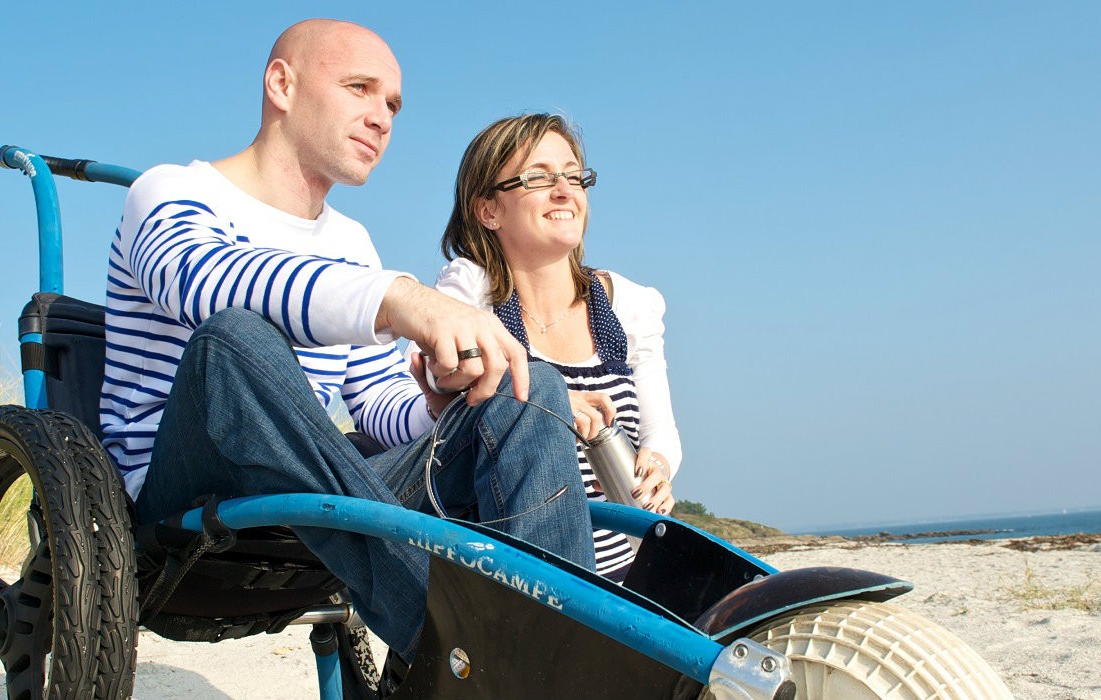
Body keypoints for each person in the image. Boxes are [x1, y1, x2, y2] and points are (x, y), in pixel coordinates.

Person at [97, 20, 593, 663]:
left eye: (392, 104)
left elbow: (377, 406)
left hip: (316, 494)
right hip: (181, 494)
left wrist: (439, 400)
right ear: (282, 83)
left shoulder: (350, 244)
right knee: (235, 341)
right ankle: (463, 654)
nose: (382, 118)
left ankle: (564, 651)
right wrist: (397, 299)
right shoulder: (170, 191)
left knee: (533, 389)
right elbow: (201, 281)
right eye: (360, 88)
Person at [435, 113, 681, 581]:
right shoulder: (472, 293)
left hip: (628, 574)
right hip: (523, 574)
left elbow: (661, 431)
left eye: (573, 176)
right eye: (539, 178)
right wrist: (546, 398)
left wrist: (659, 465)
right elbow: (442, 367)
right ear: (489, 210)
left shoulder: (628, 304)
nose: (565, 190)